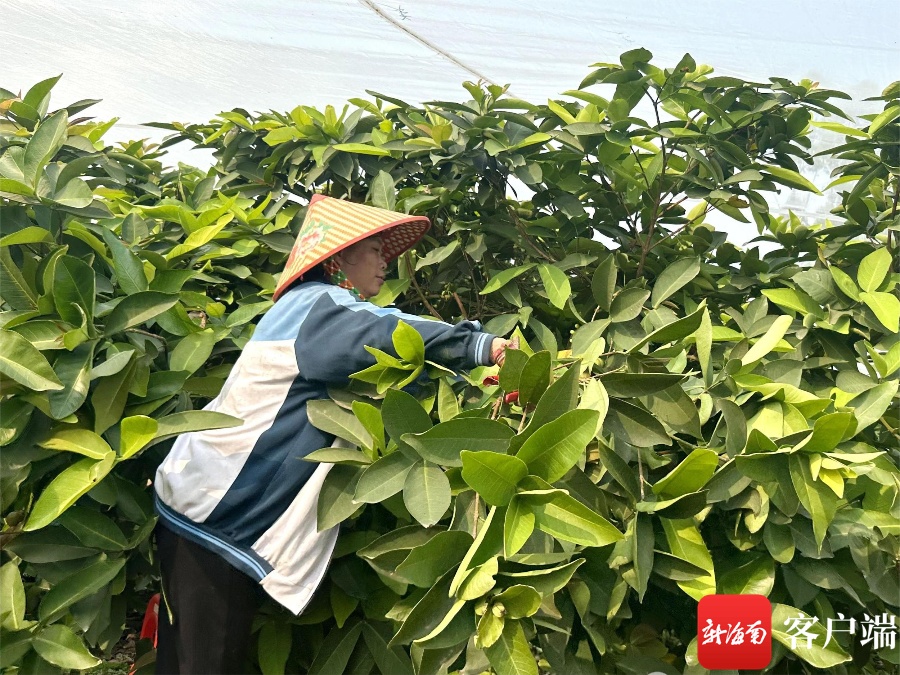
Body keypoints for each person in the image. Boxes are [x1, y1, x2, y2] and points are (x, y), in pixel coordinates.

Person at [152, 194, 514, 674]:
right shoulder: (320, 308)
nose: (386, 262)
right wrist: (482, 346)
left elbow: (386, 362)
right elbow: (389, 333)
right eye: (375, 250)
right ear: (340, 256)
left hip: (201, 504)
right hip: (214, 513)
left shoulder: (317, 313)